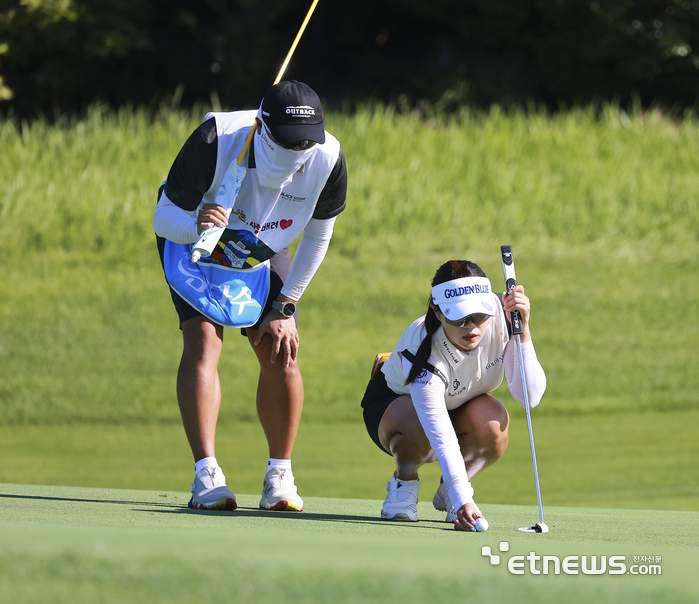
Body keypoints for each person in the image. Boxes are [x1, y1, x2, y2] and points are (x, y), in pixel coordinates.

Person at [153, 80, 347, 512]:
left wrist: (287, 304)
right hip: (194, 241)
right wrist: (198, 228)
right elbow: (163, 216)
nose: (300, 150)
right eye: (289, 141)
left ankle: (279, 476)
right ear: (263, 127)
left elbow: (318, 235)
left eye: (307, 142)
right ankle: (207, 475)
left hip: (263, 247)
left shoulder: (328, 157)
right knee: (204, 342)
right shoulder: (215, 139)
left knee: (281, 349)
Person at [361, 260, 547, 531]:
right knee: (420, 427)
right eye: (458, 318)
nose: (470, 327)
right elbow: (442, 437)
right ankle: (404, 482)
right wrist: (465, 502)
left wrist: (523, 331)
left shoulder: (504, 315)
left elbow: (529, 398)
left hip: (460, 401)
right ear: (437, 312)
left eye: (479, 316)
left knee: (493, 421)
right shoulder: (422, 349)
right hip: (397, 410)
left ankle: (448, 492)